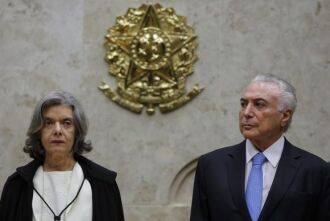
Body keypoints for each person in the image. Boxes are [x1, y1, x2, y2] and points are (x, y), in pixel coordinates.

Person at [190, 74, 330, 221]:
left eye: (259, 104)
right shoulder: (211, 165)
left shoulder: (316, 170)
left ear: (285, 116)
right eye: (244, 104)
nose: (246, 113)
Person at [0, 90, 125, 221]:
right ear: (38, 131)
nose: (58, 130)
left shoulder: (104, 184)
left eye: (66, 123)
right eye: (49, 123)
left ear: (77, 131)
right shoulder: (17, 186)